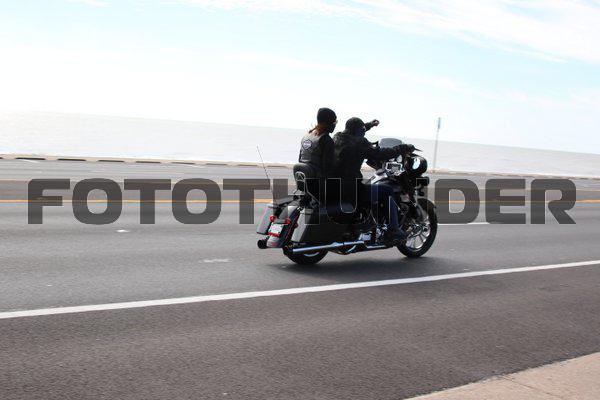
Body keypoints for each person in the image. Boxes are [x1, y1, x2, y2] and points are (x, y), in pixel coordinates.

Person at [332, 117, 415, 242]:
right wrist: (403, 148)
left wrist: (369, 125)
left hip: (335, 185)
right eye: (362, 130)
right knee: (387, 191)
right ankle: (393, 230)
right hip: (352, 189)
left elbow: (353, 131)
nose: (364, 132)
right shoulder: (360, 143)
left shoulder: (337, 137)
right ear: (358, 131)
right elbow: (380, 153)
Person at [297, 107, 337, 199]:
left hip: (304, 181)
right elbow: (327, 167)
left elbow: (300, 159)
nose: (335, 125)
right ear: (326, 123)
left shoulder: (306, 136)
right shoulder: (326, 140)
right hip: (318, 185)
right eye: (334, 122)